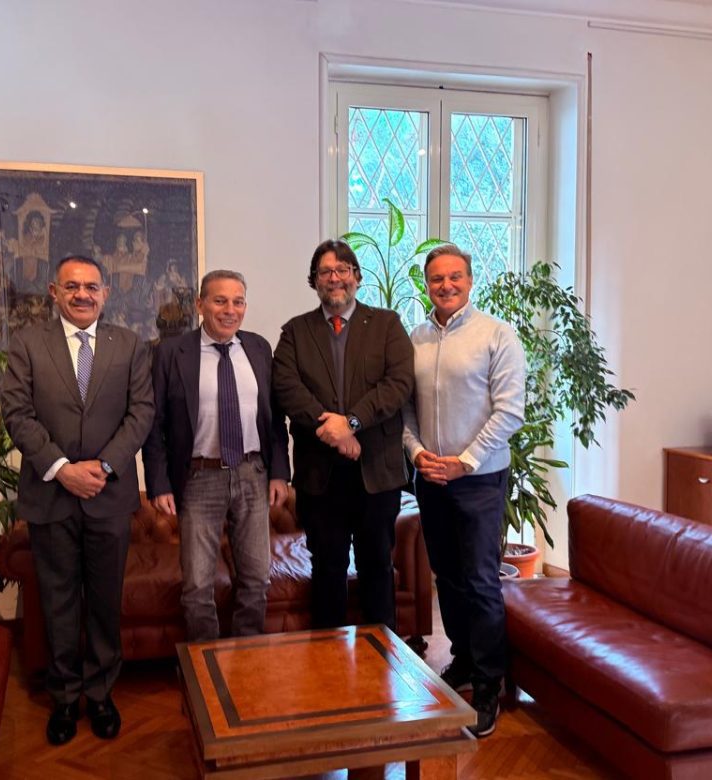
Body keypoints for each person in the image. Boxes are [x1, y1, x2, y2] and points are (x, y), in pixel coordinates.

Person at [1, 254, 154, 746]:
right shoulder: (28, 344)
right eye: (72, 286)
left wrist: (103, 466)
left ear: (105, 293)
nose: (82, 294)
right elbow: (17, 413)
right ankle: (65, 698)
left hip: (109, 496)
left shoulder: (129, 345)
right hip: (51, 496)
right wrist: (63, 469)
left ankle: (101, 694)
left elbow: (141, 413)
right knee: (59, 602)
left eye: (91, 286)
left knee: (106, 602)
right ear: (54, 292)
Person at [402, 244, 526, 739]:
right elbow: (406, 410)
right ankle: (463, 660)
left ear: (471, 281)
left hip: (479, 480)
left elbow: (510, 411)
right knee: (448, 579)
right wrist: (417, 454)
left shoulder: (497, 335)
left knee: (480, 581)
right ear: (426, 285)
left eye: (455, 276)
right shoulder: (415, 338)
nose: (446, 285)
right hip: (431, 478)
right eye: (437, 279)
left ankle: (490, 682)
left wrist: (465, 461)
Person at [272, 239, 414, 631]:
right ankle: (328, 659)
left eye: (342, 270)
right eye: (325, 272)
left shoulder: (387, 325)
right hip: (320, 478)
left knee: (377, 567)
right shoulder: (295, 332)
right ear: (314, 280)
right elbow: (287, 388)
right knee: (327, 569)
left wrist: (351, 422)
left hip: (376, 475)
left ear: (357, 276)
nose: (334, 278)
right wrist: (333, 431)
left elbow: (398, 384)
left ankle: (383, 658)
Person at [143, 270, 290, 640]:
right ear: (200, 304)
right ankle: (204, 665)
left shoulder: (259, 348)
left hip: (253, 474)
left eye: (238, 302)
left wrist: (279, 472)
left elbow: (274, 417)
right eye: (220, 301)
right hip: (199, 478)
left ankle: (246, 660)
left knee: (256, 579)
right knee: (197, 586)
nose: (230, 310)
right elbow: (154, 424)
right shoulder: (172, 353)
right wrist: (159, 484)